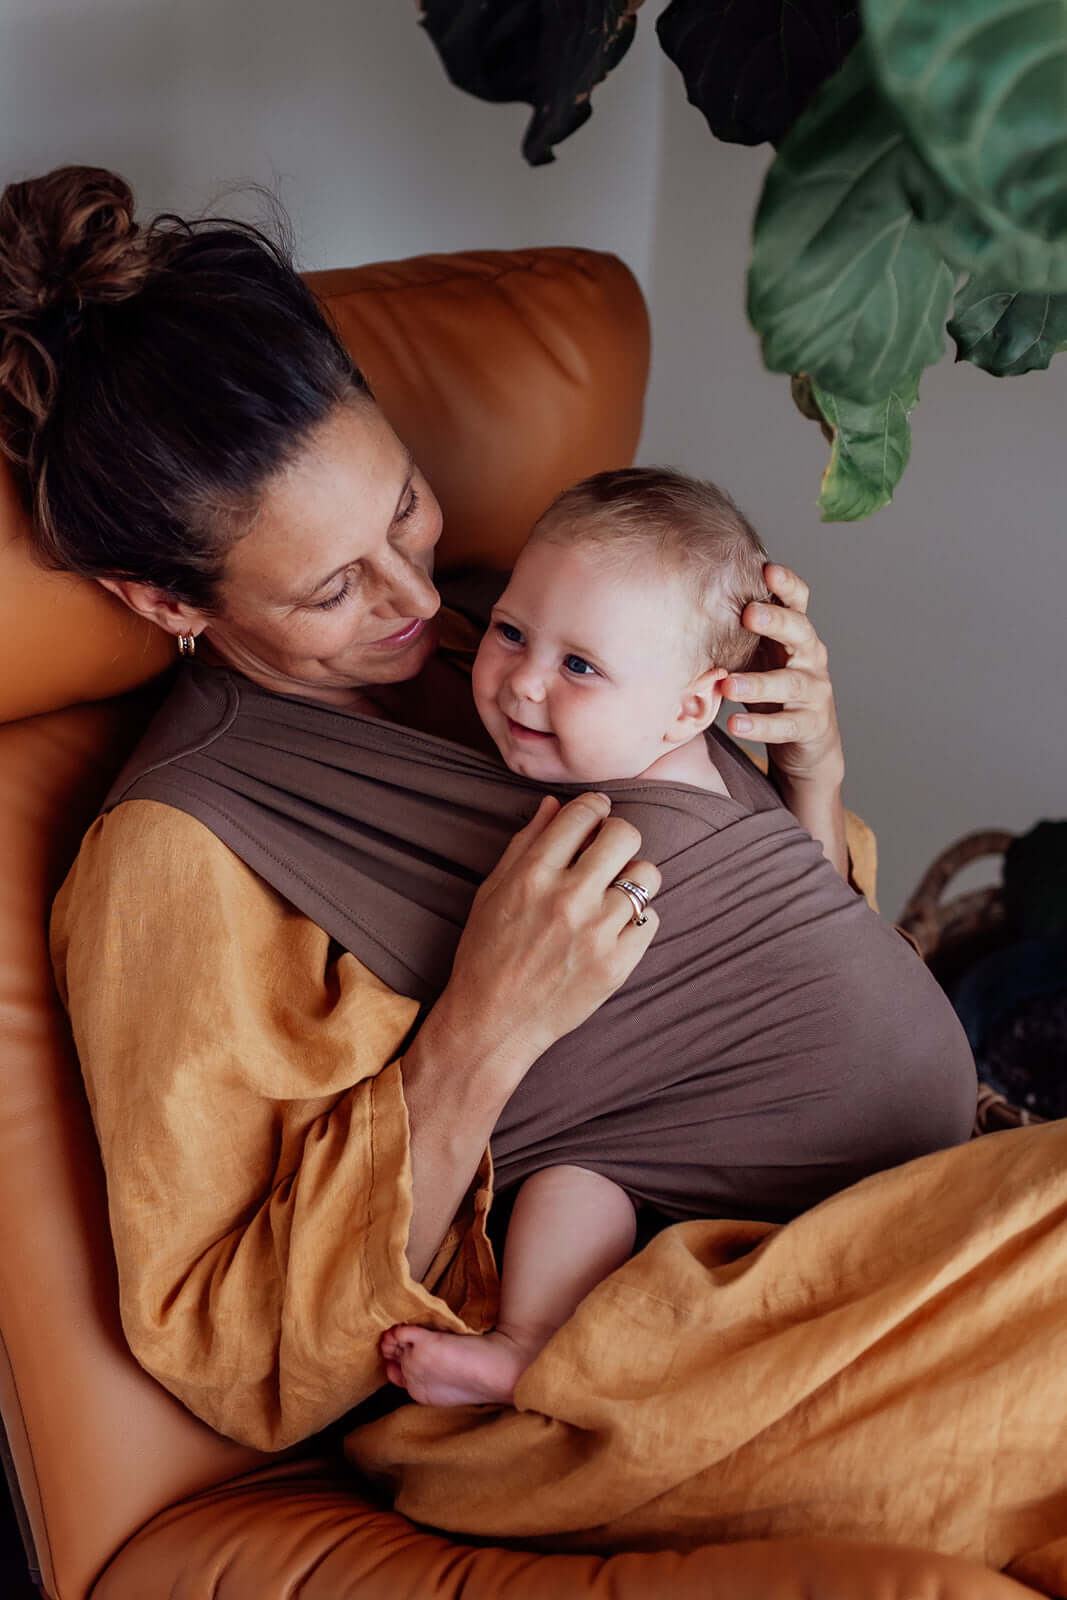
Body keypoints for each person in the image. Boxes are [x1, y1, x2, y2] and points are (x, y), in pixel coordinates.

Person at [1, 167, 976, 1463]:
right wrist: (481, 1030)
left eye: (401, 500)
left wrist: (808, 771)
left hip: (853, 1213)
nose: (412, 595)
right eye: (335, 586)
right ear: (168, 603)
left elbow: (768, 991)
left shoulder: (517, 629)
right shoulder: (178, 859)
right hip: (601, 1354)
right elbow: (234, 1357)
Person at [383, 467, 786, 1405]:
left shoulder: (647, 826)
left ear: (691, 708)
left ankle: (530, 1340)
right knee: (595, 1171)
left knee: (578, 1169)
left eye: (578, 667)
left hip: (766, 1123)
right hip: (706, 1128)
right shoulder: (650, 745)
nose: (521, 681)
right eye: (510, 632)